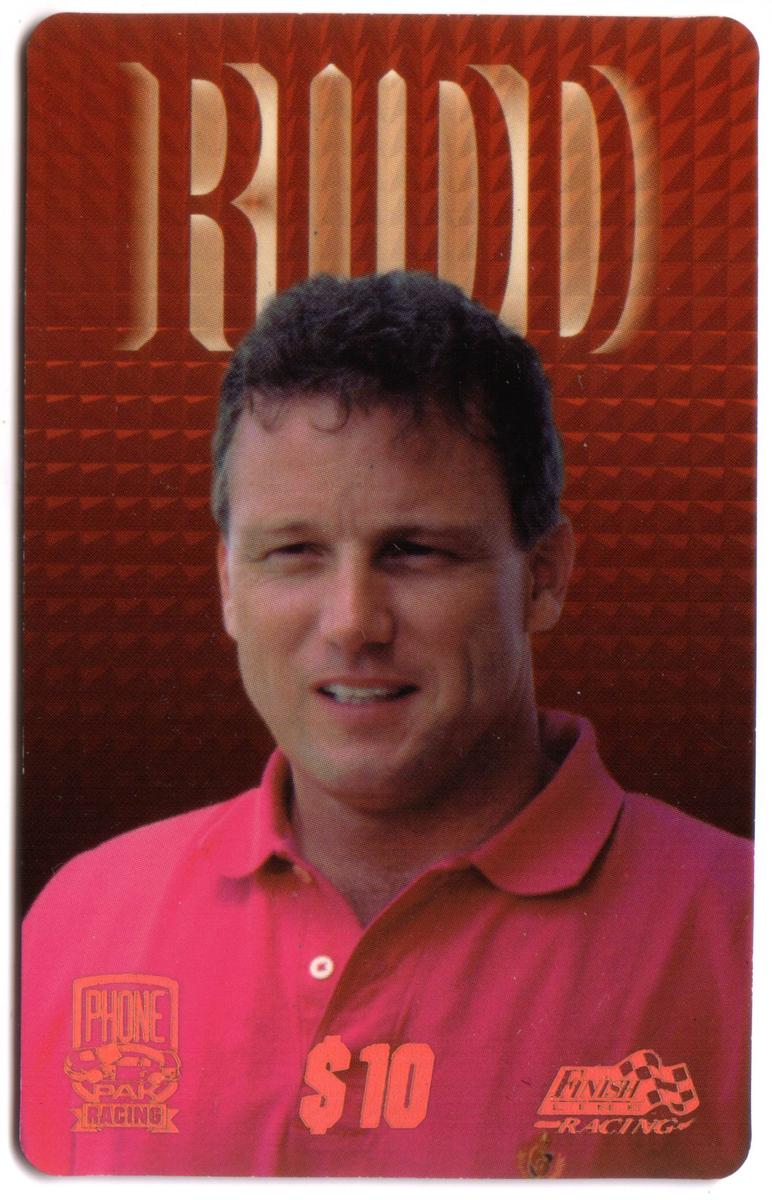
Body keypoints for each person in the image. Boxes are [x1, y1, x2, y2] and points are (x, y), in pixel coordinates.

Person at [21, 272, 751, 1179]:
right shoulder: (77, 924)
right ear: (227, 584)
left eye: (413, 551)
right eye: (295, 551)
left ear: (546, 576)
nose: (351, 623)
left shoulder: (739, 936)